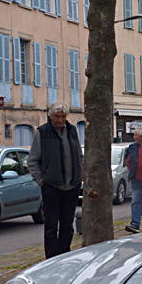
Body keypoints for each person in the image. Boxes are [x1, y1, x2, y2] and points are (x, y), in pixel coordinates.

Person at [27, 101, 83, 259]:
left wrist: (80, 176)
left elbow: (79, 156)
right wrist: (41, 181)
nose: (60, 120)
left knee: (67, 226)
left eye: (63, 116)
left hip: (71, 187)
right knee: (51, 227)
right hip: (51, 187)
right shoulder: (42, 132)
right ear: (50, 116)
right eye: (57, 116)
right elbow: (32, 161)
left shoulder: (72, 131)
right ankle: (51, 259)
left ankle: (64, 256)